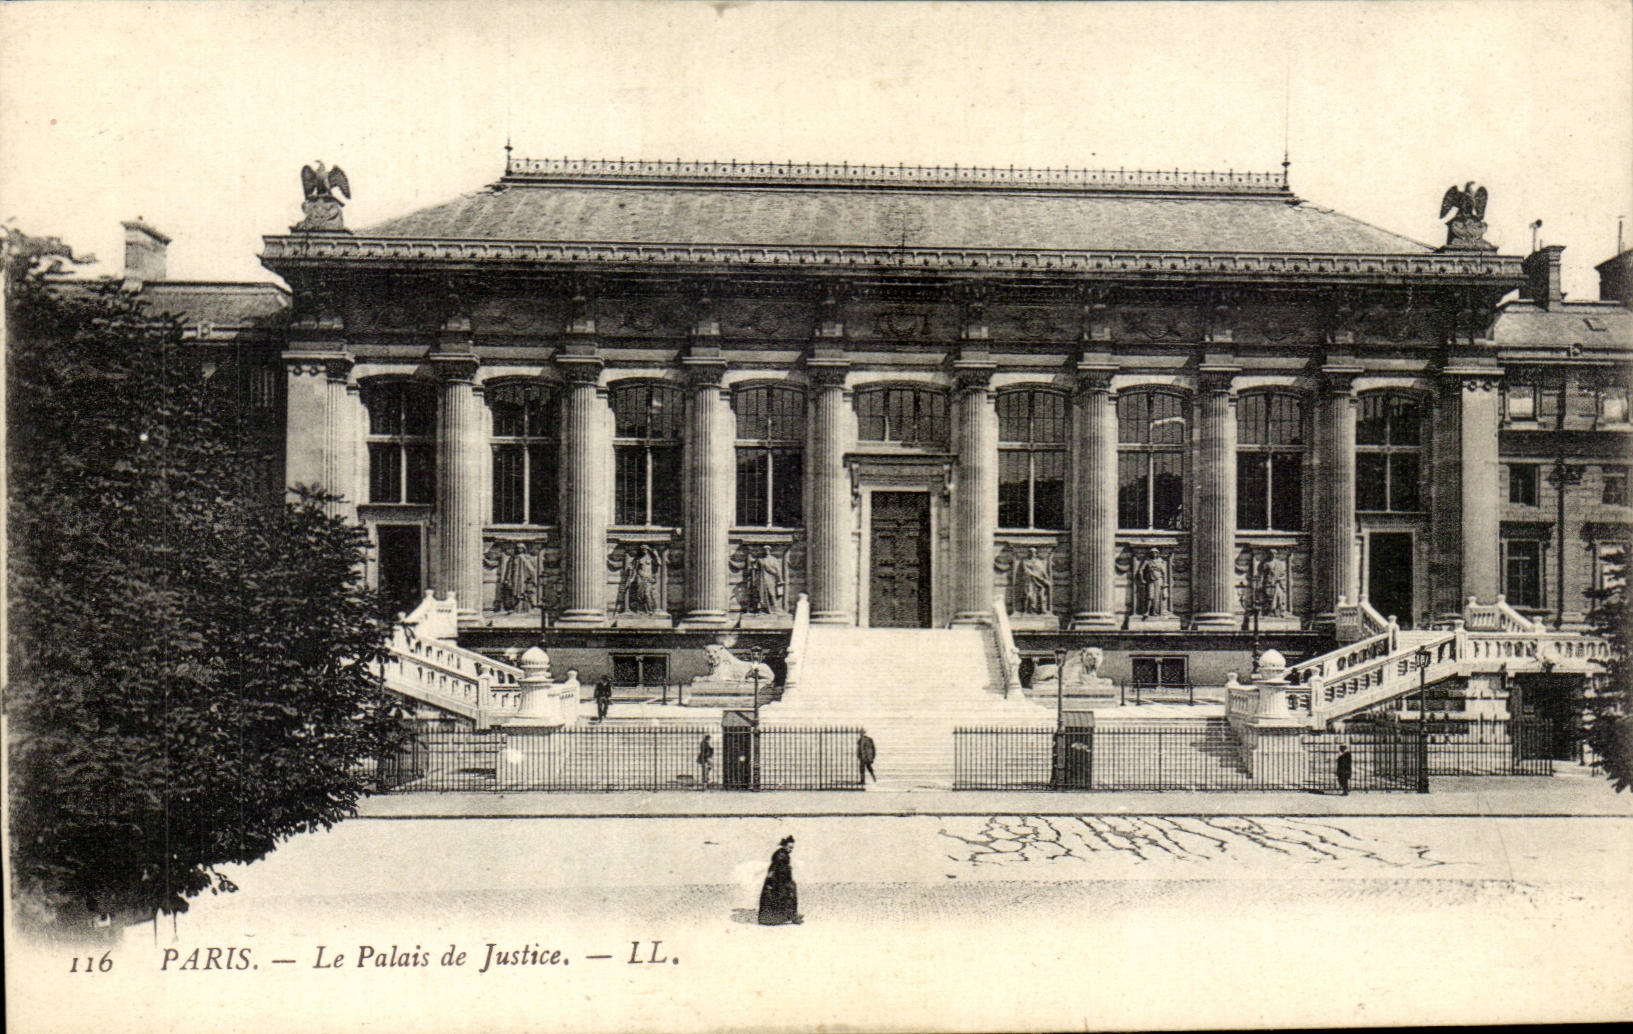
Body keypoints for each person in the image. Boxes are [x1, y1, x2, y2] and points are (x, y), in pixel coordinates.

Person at [757, 835, 801, 925]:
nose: (791, 849)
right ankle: (787, 917)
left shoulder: (784, 854)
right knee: (784, 897)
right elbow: (773, 868)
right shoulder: (780, 855)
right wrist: (770, 882)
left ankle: (789, 916)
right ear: (784, 846)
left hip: (783, 881)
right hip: (777, 881)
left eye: (792, 848)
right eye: (789, 847)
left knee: (787, 897)